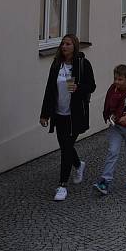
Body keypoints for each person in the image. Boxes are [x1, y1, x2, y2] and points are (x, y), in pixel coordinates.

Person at [40, 34, 96, 201]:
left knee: (65, 148)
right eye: (63, 44)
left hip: (76, 114)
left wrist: (78, 88)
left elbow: (91, 86)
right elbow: (49, 89)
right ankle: (79, 165)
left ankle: (62, 185)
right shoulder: (57, 64)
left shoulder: (82, 64)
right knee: (65, 146)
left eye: (68, 44)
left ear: (75, 46)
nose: (64, 47)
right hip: (59, 113)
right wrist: (45, 113)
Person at [93, 64, 126, 195]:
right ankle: (105, 181)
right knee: (112, 152)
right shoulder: (113, 89)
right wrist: (110, 115)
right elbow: (110, 105)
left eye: (120, 79)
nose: (117, 82)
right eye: (115, 79)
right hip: (116, 127)